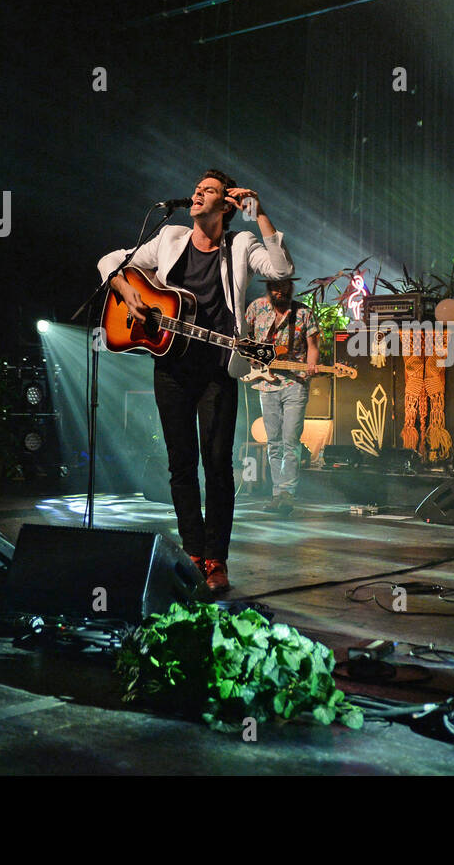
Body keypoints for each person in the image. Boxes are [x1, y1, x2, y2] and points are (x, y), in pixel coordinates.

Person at [98, 169, 292, 593]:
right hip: (171, 368)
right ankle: (193, 553)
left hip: (219, 369)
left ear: (226, 206)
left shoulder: (239, 244)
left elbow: (281, 268)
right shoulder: (169, 238)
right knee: (181, 464)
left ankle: (217, 558)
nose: (196, 195)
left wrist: (259, 213)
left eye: (208, 191)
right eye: (197, 189)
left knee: (218, 464)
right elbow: (110, 261)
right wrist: (127, 292)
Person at [244, 277, 319, 516]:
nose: (279, 292)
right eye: (275, 287)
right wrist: (251, 358)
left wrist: (311, 367)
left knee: (290, 440)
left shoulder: (303, 313)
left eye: (283, 287)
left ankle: (287, 493)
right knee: (273, 441)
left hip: (295, 382)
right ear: (269, 288)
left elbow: (313, 347)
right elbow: (242, 339)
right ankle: (278, 493)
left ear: (290, 288)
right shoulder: (256, 308)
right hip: (266, 383)